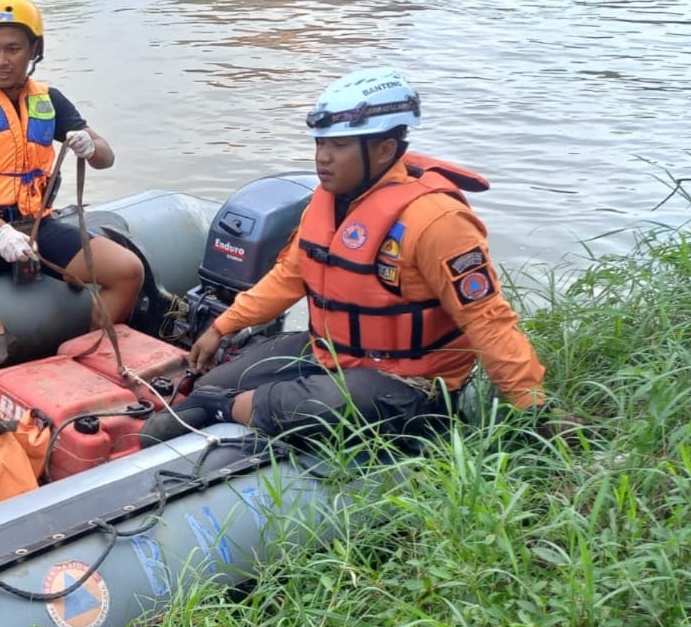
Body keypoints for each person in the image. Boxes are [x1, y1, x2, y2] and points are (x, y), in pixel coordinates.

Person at [146, 67, 547, 447]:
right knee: (214, 383)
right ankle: (218, 407)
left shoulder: (438, 221)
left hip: (410, 383)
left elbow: (488, 321)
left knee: (227, 405)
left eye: (339, 146)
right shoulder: (328, 202)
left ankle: (227, 414)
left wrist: (535, 410)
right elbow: (290, 275)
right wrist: (222, 327)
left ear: (385, 148)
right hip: (333, 352)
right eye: (321, 144)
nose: (323, 158)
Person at [0, 0, 145, 371]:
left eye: (13, 49)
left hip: (38, 227)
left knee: (129, 270)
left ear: (34, 50)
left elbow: (106, 158)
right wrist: (0, 233)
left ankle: (93, 347)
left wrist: (90, 145)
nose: (1, 60)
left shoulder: (50, 101)